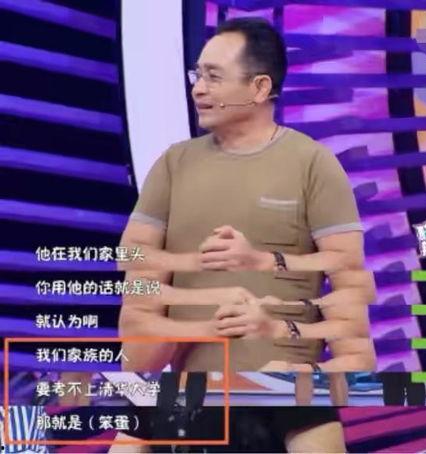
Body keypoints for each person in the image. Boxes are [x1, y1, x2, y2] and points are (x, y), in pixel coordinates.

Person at [117, 17, 375, 452]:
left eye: (213, 77)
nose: (198, 89)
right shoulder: (173, 166)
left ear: (259, 88)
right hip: (193, 404)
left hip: (288, 402)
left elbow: (354, 335)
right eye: (197, 75)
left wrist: (318, 380)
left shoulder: (313, 164)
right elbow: (138, 343)